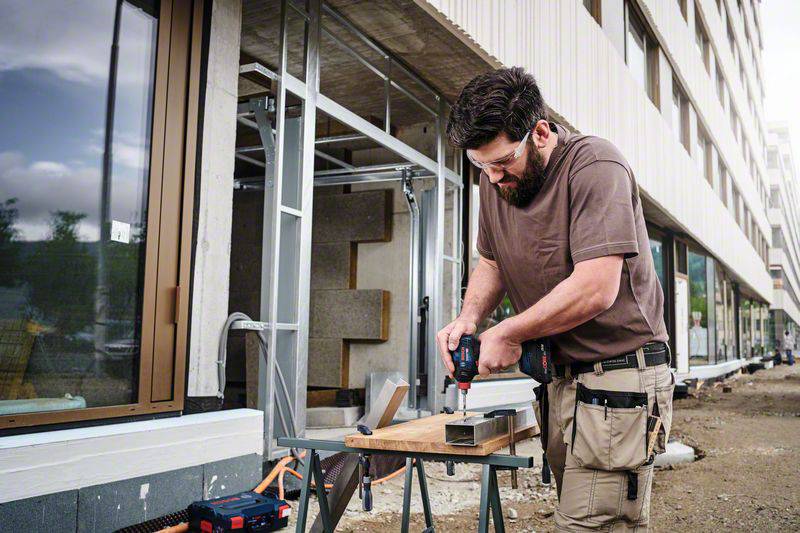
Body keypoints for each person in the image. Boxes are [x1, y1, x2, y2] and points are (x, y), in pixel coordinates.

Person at [437, 67, 674, 531]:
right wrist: (470, 318)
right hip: (559, 381)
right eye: (480, 165)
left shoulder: (595, 166)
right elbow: (492, 260)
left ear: (540, 131)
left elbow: (595, 288)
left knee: (590, 525)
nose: (493, 176)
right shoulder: (494, 180)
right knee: (579, 510)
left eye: (503, 161)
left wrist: (507, 331)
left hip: (619, 378)